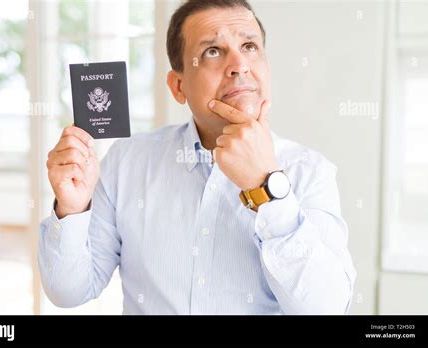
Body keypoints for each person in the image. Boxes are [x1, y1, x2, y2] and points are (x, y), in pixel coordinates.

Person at [39, 0, 356, 314]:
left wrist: (267, 188)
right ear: (178, 86)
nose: (239, 65)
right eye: (212, 51)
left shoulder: (310, 173)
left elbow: (326, 309)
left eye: (249, 46)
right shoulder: (125, 163)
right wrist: (71, 209)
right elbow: (69, 292)